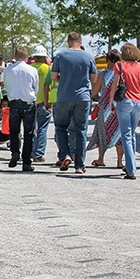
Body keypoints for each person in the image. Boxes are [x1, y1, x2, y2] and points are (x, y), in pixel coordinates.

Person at [50, 33, 94, 175]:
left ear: (68, 41)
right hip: (83, 97)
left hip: (64, 96)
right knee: (81, 130)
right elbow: (93, 79)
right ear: (80, 42)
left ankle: (65, 155)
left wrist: (63, 80)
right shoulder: (88, 57)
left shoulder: (60, 56)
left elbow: (53, 76)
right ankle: (80, 165)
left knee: (61, 127)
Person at [108, 45, 140, 180]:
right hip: (138, 103)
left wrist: (111, 102)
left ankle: (131, 169)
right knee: (132, 134)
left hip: (125, 101)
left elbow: (115, 84)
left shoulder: (119, 66)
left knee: (126, 135)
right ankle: (130, 165)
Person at [4, 46, 39, 172]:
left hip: (14, 102)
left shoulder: (8, 70)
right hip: (28, 102)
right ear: (26, 57)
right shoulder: (32, 70)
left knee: (14, 130)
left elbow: (7, 86)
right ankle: (26, 162)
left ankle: (14, 151)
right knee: (28, 133)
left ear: (15, 57)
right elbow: (35, 86)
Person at [31, 45, 53, 163]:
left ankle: (31, 151)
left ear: (34, 57)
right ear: (45, 57)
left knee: (31, 128)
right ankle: (38, 154)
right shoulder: (48, 68)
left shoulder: (29, 68)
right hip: (45, 101)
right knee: (42, 128)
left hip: (31, 102)